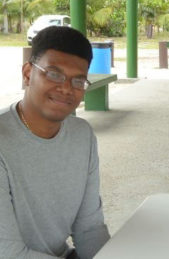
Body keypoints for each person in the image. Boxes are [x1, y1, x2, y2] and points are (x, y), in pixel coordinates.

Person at [0, 26, 110, 258]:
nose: (65, 89)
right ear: (28, 73)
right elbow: (9, 253)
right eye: (54, 74)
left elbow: (89, 229)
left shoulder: (82, 136)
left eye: (78, 81)